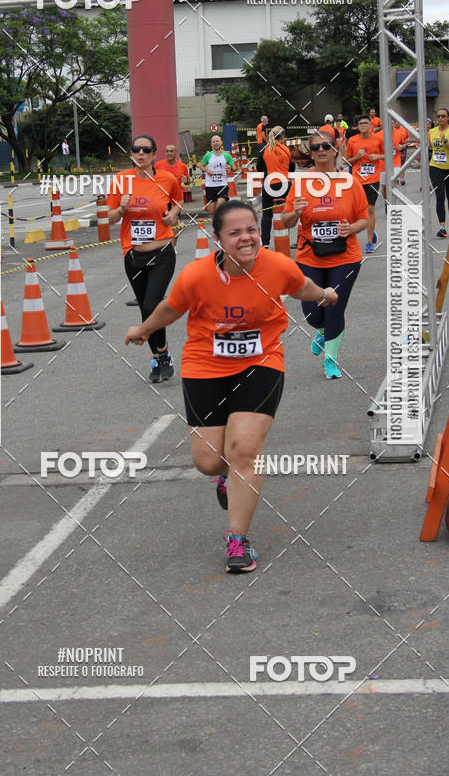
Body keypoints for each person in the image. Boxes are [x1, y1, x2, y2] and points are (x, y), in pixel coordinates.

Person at [125, 199, 337, 573]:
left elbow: (300, 285)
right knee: (209, 461)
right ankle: (226, 479)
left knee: (243, 451)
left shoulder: (277, 266)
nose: (246, 238)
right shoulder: (196, 275)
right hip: (205, 365)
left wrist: (323, 295)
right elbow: (171, 308)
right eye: (235, 232)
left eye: (252, 230)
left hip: (261, 362)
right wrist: (143, 330)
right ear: (218, 239)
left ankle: (238, 540)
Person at [283, 132, 368, 379]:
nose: (321, 150)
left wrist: (351, 228)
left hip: (346, 256)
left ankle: (330, 359)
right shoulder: (300, 183)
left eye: (326, 146)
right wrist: (295, 213)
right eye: (315, 147)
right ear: (310, 152)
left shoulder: (350, 182)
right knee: (312, 312)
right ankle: (320, 331)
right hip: (310, 255)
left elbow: (364, 218)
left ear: (335, 149)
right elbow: (286, 221)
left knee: (334, 308)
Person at [108, 134, 182, 382]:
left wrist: (173, 214)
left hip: (162, 252)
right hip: (134, 256)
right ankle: (159, 356)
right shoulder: (121, 180)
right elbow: (109, 217)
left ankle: (162, 355)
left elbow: (178, 200)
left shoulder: (166, 179)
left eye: (145, 150)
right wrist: (121, 208)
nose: (140, 154)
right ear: (131, 153)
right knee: (145, 308)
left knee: (152, 305)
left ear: (153, 154)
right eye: (136, 150)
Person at [345, 114, 384, 253]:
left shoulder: (378, 138)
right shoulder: (352, 141)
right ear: (357, 126)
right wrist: (358, 156)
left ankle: (369, 242)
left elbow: (388, 154)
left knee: (370, 209)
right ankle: (370, 231)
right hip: (357, 180)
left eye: (365, 123)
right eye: (360, 123)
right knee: (355, 211)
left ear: (370, 125)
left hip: (373, 179)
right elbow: (347, 161)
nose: (363, 125)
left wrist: (378, 156)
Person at [256, 125, 294, 247]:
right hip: (284, 183)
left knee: (267, 213)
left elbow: (259, 168)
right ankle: (284, 236)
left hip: (269, 184)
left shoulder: (265, 150)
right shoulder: (286, 150)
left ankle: (265, 243)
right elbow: (291, 168)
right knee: (285, 211)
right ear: (282, 137)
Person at [428, 109, 449, 237]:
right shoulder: (432, 132)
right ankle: (442, 226)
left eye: (443, 116)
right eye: (438, 116)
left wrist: (446, 142)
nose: (440, 118)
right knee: (440, 196)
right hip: (436, 167)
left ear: (448, 118)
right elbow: (428, 146)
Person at [200, 135, 235, 215]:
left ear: (221, 143)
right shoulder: (208, 156)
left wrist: (230, 167)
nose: (215, 143)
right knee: (211, 211)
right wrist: (206, 170)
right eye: (214, 142)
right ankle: (219, 223)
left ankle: (223, 222)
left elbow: (235, 168)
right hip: (210, 186)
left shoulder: (226, 156)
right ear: (211, 144)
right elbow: (201, 166)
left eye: (217, 141)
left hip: (222, 185)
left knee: (220, 206)